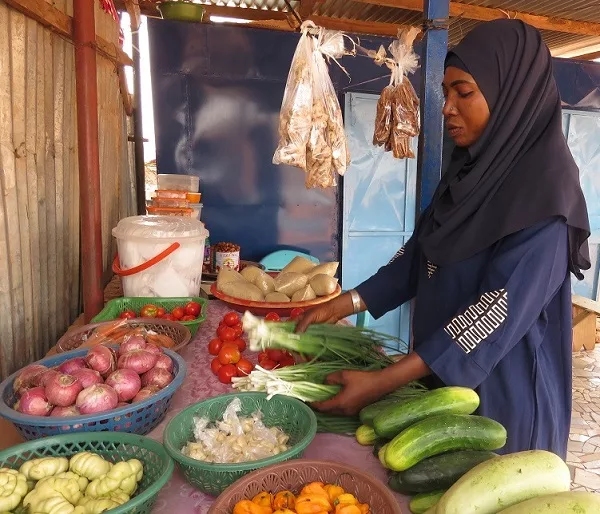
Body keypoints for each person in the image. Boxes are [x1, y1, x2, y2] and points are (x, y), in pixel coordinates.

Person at [295, 19, 591, 459]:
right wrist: (345, 302)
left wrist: (382, 381)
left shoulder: (547, 196)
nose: (446, 107)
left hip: (502, 407)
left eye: (463, 92)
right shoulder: (468, 173)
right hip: (436, 385)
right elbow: (420, 256)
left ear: (511, 92)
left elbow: (495, 310)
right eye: (447, 92)